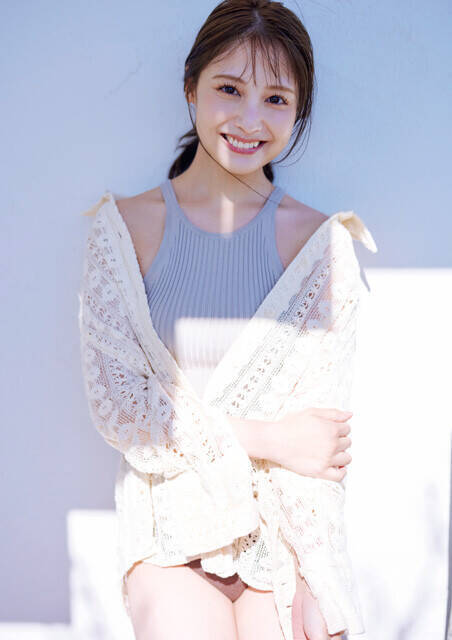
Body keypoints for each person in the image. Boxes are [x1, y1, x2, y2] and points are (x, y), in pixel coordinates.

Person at [81, 1, 361, 638]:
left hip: (279, 536)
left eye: (276, 99)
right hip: (168, 529)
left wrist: (320, 580)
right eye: (229, 89)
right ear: (191, 88)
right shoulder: (124, 231)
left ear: (298, 113)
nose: (250, 119)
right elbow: (122, 410)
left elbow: (319, 447)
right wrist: (272, 438)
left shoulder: (322, 248)